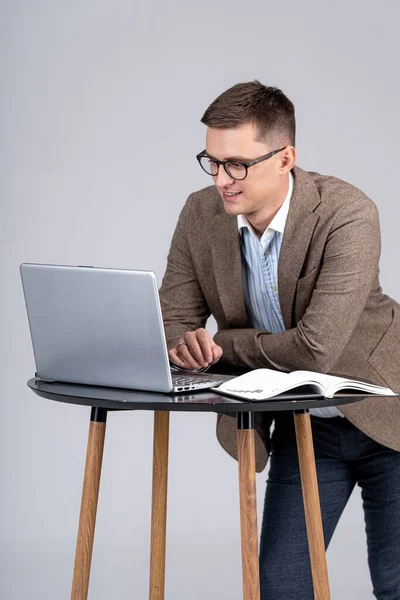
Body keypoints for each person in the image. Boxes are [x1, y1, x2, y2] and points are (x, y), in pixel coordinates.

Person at [159, 81, 400, 600]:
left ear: (285, 157)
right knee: (281, 588)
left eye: (238, 164)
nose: (222, 179)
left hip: (389, 416)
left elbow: (316, 349)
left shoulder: (347, 214)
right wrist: (185, 346)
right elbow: (172, 322)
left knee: (395, 583)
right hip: (305, 424)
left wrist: (223, 346)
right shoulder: (201, 216)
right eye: (212, 161)